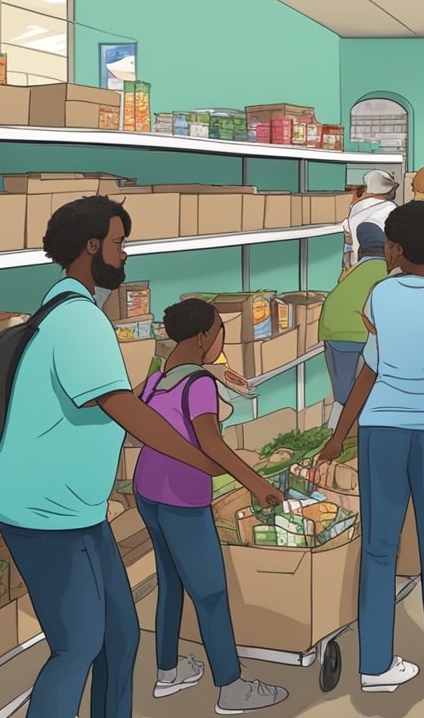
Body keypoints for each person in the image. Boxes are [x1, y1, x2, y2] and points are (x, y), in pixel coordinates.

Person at [0, 196, 235, 718]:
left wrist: (173, 375)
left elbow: (118, 392)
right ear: (92, 246)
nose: (125, 254)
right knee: (78, 646)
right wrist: (201, 458)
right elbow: (120, 406)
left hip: (78, 509)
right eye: (120, 243)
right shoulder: (79, 319)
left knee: (120, 637)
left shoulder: (67, 307)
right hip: (45, 511)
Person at [317, 201, 424, 693]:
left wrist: (336, 438)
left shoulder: (379, 297)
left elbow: (369, 370)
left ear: (393, 248)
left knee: (380, 545)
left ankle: (375, 666)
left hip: (380, 429)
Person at [133, 299, 288, 712]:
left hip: (147, 490)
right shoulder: (198, 385)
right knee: (211, 592)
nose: (220, 336)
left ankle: (167, 672)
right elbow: (212, 442)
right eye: (219, 329)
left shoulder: (155, 381)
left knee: (170, 582)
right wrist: (256, 484)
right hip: (182, 496)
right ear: (204, 335)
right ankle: (232, 687)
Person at [320, 223, 391, 429]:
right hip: (367, 330)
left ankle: (335, 428)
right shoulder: (389, 271)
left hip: (334, 328)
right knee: (377, 382)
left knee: (343, 388)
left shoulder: (351, 270)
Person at [343, 169, 400, 267]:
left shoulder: (356, 206)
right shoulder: (391, 208)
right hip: (381, 265)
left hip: (356, 264)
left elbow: (349, 240)